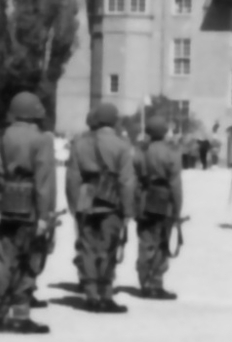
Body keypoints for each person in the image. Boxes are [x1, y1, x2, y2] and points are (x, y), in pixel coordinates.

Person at [0, 91, 56, 333]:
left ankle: (0, 310)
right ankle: (20, 316)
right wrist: (45, 217)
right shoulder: (42, 140)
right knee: (28, 261)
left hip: (4, 206)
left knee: (5, 259)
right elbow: (44, 181)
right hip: (30, 208)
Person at [66, 103, 135, 313]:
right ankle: (106, 294)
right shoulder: (121, 145)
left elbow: (72, 178)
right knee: (109, 246)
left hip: (86, 196)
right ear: (114, 121)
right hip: (111, 198)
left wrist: (74, 205)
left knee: (87, 245)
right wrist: (128, 211)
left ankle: (90, 294)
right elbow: (127, 182)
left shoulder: (79, 143)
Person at [134, 115, 183, 300]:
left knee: (145, 242)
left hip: (144, 199)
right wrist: (178, 209)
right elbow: (176, 184)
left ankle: (144, 282)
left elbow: (132, 179)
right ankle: (156, 283)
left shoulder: (139, 151)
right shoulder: (171, 152)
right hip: (164, 201)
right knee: (162, 243)